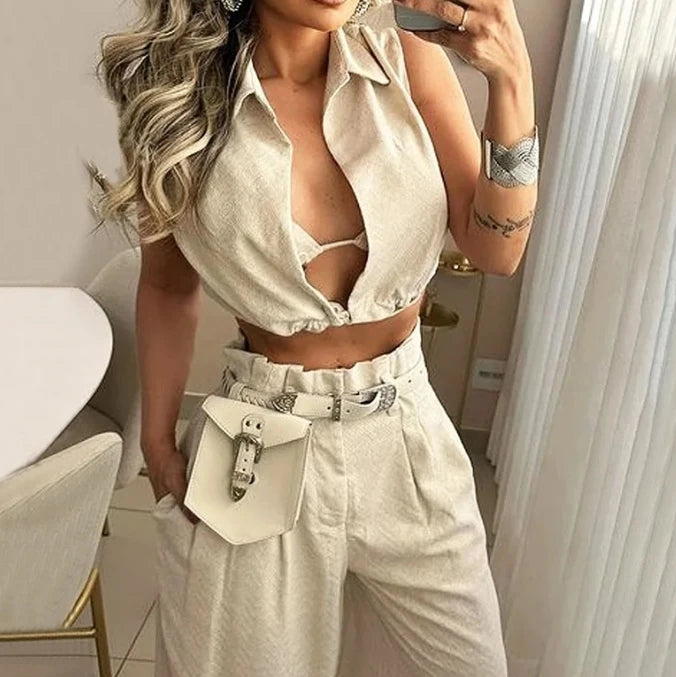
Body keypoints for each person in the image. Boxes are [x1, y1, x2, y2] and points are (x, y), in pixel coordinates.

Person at [93, 0, 537, 675]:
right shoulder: (175, 101)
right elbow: (167, 285)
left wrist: (512, 80)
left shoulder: (407, 59)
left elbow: (497, 250)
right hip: (256, 440)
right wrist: (157, 438)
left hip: (404, 436)